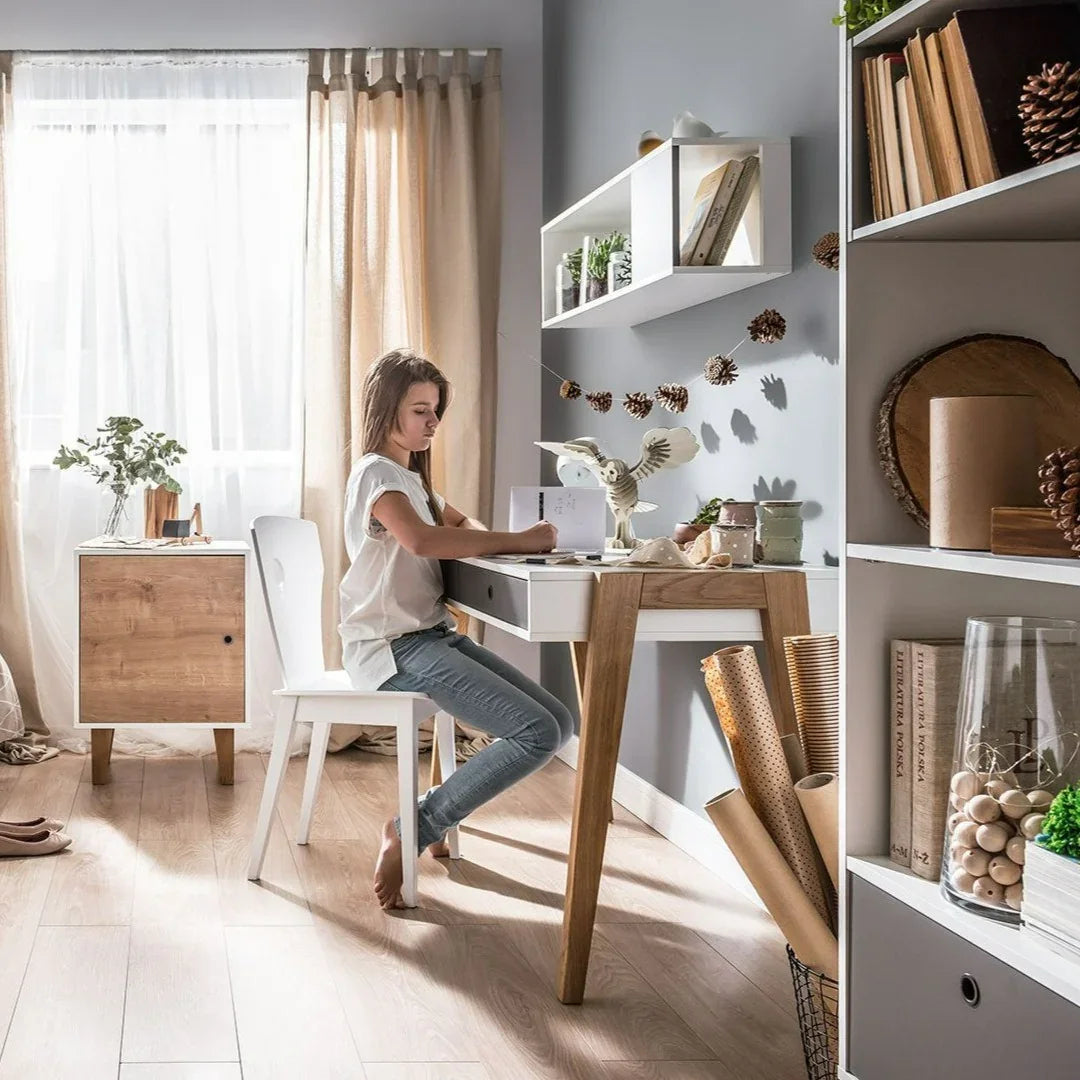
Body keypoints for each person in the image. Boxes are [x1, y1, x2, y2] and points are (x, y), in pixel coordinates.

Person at [340, 348, 575, 909]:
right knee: (536, 733)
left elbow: (458, 521)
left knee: (561, 723)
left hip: (430, 636)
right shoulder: (377, 474)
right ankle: (414, 826)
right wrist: (519, 541)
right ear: (386, 408)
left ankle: (430, 818)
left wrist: (484, 535)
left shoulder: (411, 481)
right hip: (392, 648)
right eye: (420, 410)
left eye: (436, 411)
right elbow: (423, 540)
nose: (433, 423)